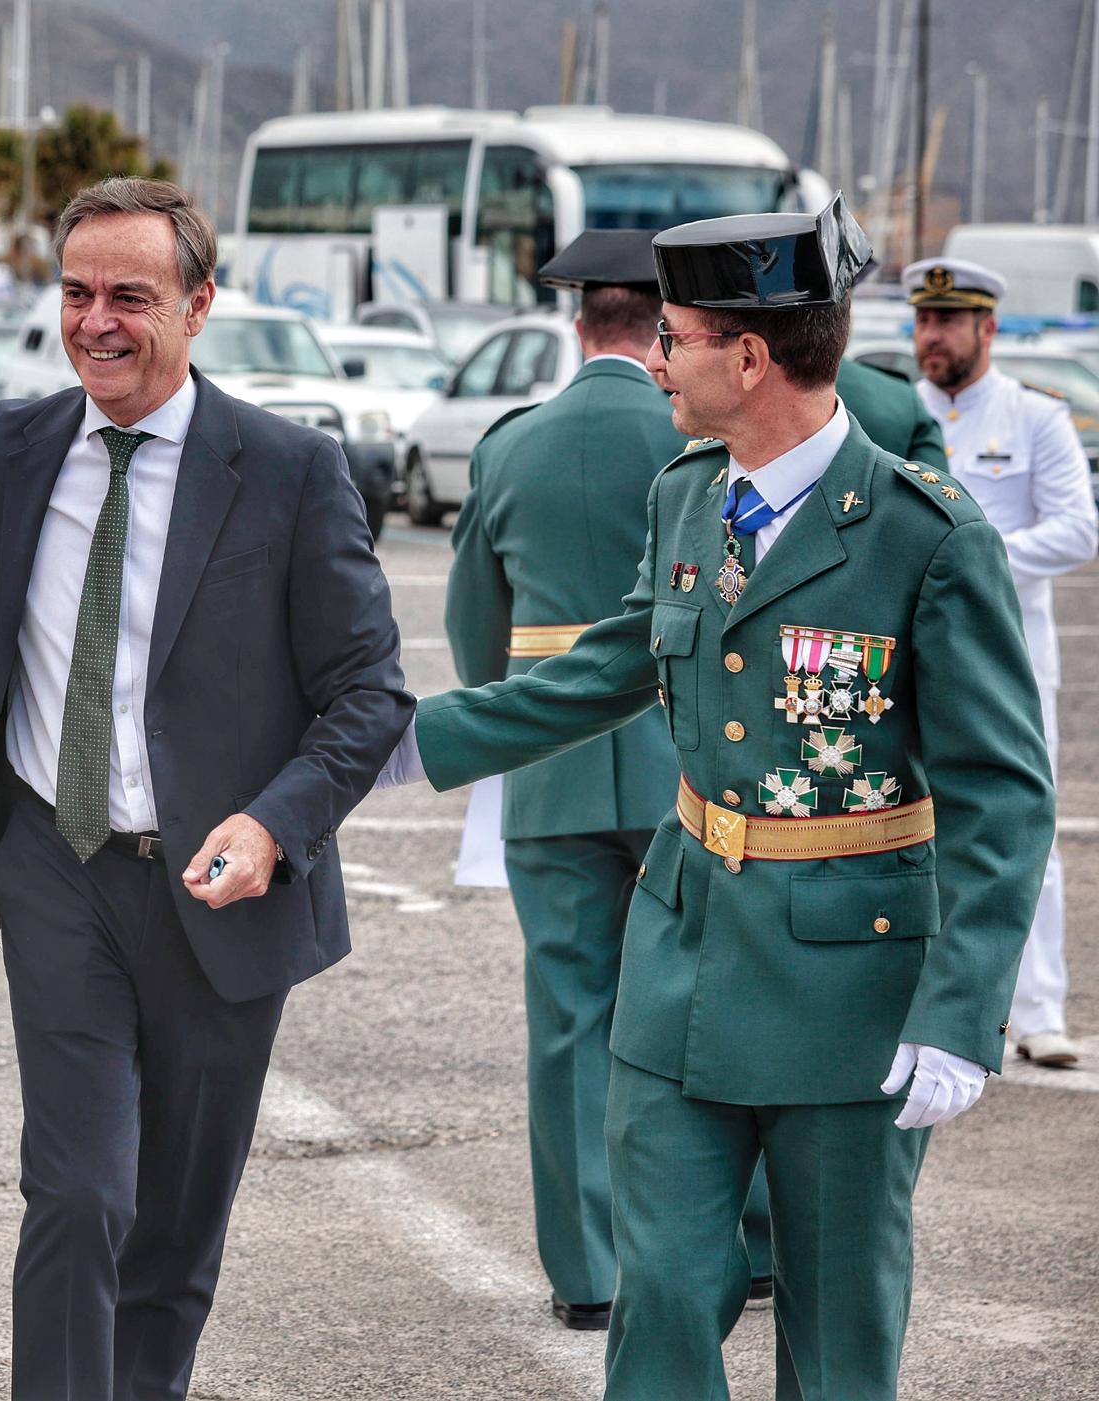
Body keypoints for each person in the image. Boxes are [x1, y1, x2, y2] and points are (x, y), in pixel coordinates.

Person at [381, 197, 1051, 1398]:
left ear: (746, 357)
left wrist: (961, 1010)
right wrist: (407, 743)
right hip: (681, 959)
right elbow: (613, 661)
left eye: (675, 336)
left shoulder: (924, 536)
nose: (652, 358)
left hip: (848, 991)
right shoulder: (686, 493)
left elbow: (1001, 800)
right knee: (664, 1301)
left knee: (838, 1326)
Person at [0, 177, 411, 1401]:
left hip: (219, 886)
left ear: (199, 305)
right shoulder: (11, 444)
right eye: (76, 293)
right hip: (54, 862)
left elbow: (368, 692)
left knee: (176, 1231)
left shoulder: (291, 472)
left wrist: (272, 824)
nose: (95, 322)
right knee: (79, 1193)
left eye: (129, 296)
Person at [437, 228, 772, 1331]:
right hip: (691, 756)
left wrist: (515, 707)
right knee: (721, 1002)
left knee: (568, 1018)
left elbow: (470, 623)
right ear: (662, 324)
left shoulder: (510, 443)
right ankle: (747, 1242)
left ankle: (586, 1269)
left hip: (549, 768)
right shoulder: (702, 436)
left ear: (575, 317)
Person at [906, 254, 1097, 1068]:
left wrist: (968, 560)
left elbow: (1077, 530)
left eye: (948, 321)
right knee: (906, 823)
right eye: (923, 320)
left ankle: (1038, 1008)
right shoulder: (891, 410)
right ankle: (925, 1000)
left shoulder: (1033, 417)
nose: (932, 337)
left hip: (1009, 660)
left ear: (988, 327)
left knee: (1025, 830)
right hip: (908, 658)